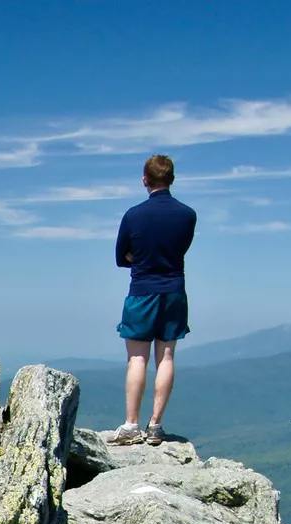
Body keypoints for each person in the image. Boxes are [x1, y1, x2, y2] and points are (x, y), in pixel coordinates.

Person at [105, 154, 196, 445]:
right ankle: (155, 426)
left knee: (137, 358)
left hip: (142, 290)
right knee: (166, 356)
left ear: (145, 179)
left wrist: (140, 257)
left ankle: (131, 425)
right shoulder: (187, 214)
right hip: (173, 290)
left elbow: (121, 257)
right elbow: (180, 249)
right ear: (171, 179)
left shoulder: (134, 215)